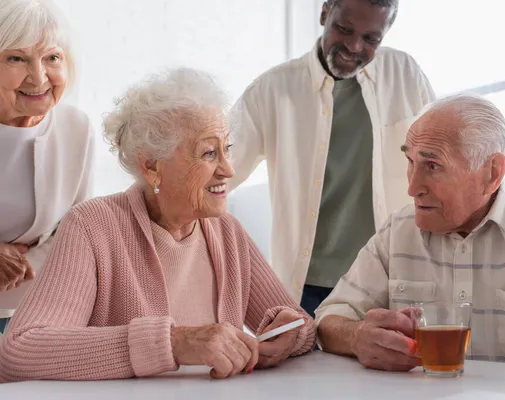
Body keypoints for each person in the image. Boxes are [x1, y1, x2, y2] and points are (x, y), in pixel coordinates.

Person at [0, 67, 316, 382]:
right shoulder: (92, 226)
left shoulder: (227, 231)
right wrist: (174, 344)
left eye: (227, 149)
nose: (228, 169)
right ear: (151, 166)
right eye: (209, 153)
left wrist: (291, 334)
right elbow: (20, 352)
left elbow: (300, 325)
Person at [315, 94, 505, 369]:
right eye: (411, 162)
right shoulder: (397, 232)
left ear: (492, 173)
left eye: (433, 165)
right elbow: (329, 318)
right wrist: (356, 336)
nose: (413, 188)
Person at [229, 0, 435, 317]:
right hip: (308, 288)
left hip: (393, 281)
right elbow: (219, 170)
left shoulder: (404, 73)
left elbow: (440, 156)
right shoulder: (272, 89)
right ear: (325, 13)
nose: (354, 47)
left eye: (371, 39)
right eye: (344, 29)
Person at [0, 0, 95, 332]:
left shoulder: (76, 128)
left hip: (37, 310)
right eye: (16, 58)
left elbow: (76, 230)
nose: (39, 77)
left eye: (52, 57)